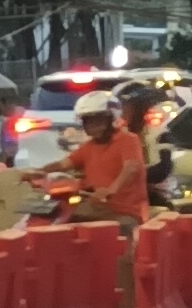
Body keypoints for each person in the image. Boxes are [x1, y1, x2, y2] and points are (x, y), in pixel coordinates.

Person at [23, 89, 149, 230]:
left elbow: (131, 168)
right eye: (88, 122)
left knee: (120, 236)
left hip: (125, 212)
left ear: (111, 119)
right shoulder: (88, 147)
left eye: (98, 121)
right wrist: (39, 171)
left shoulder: (128, 140)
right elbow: (64, 163)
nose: (93, 126)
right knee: (60, 223)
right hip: (95, 208)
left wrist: (110, 190)